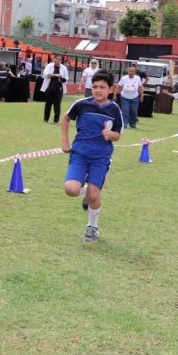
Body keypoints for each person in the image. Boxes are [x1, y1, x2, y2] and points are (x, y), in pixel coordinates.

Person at [61, 70, 123, 243]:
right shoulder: (81, 104)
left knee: (94, 196)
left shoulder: (114, 109)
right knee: (71, 189)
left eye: (102, 87)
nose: (97, 90)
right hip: (79, 154)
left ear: (110, 89)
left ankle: (92, 226)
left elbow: (118, 134)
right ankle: (85, 191)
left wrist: (109, 134)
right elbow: (65, 119)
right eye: (95, 86)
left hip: (100, 158)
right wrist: (64, 141)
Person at [40, 54, 68, 124]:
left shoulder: (63, 68)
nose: (58, 60)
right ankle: (46, 119)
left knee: (57, 105)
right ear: (54, 59)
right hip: (49, 87)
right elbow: (45, 74)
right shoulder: (49, 66)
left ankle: (56, 120)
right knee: (48, 104)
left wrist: (61, 80)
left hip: (59, 88)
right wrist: (55, 75)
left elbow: (66, 78)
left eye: (60, 59)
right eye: (57, 59)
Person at [115, 64, 144, 129]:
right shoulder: (124, 78)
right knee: (125, 110)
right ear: (128, 71)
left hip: (135, 97)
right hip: (125, 97)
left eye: (132, 71)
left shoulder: (138, 78)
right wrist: (115, 95)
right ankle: (124, 124)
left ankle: (132, 124)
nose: (130, 73)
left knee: (134, 111)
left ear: (135, 72)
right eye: (129, 71)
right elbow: (118, 86)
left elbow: (140, 87)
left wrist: (142, 95)